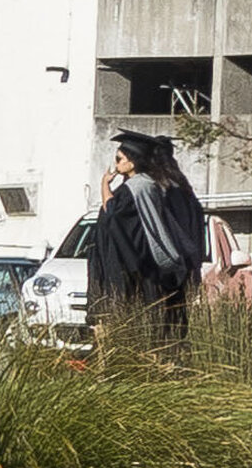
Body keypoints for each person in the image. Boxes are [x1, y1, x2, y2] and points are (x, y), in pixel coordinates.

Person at [83, 128, 208, 340]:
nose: (116, 163)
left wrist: (104, 184)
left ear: (133, 161)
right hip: (142, 265)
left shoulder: (137, 187)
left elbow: (113, 213)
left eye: (119, 158)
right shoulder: (156, 185)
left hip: (132, 266)